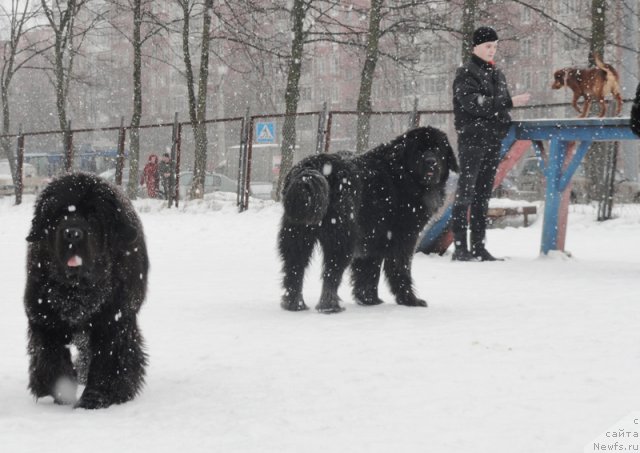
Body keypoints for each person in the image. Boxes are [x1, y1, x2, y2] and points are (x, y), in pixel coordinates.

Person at [451, 26, 531, 261]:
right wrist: (508, 102)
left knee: (483, 194)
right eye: (488, 46)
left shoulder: (498, 74)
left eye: (495, 46)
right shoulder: (466, 73)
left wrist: (502, 117)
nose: (492, 51)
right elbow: (475, 104)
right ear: (475, 47)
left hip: (492, 140)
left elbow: (496, 109)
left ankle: (478, 246)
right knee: (466, 192)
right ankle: (460, 248)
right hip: (472, 140)